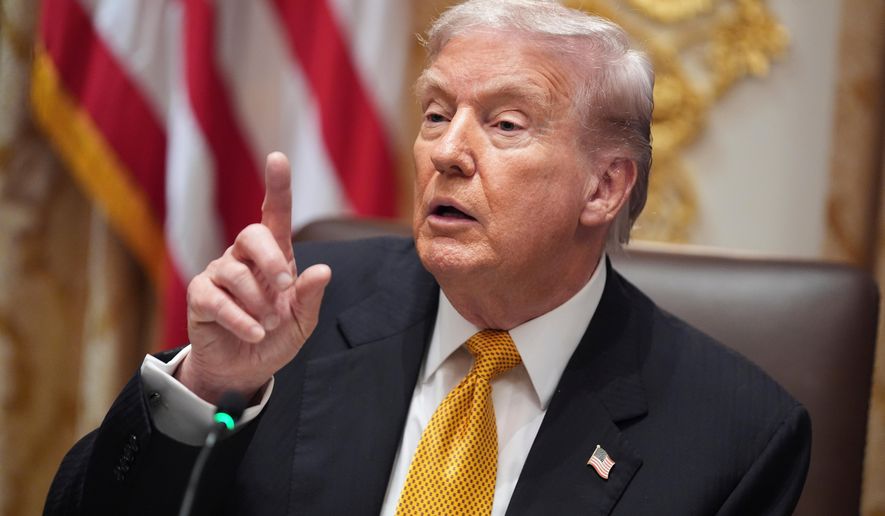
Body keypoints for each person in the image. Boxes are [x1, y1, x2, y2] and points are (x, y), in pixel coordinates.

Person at [45, 1, 811, 514]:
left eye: (505, 124)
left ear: (604, 187)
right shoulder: (293, 317)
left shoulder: (736, 436)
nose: (446, 150)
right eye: (436, 113)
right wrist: (209, 387)